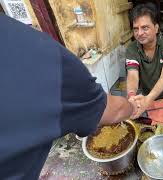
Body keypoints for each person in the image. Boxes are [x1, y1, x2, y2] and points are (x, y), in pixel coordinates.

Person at [0, 14, 138, 179]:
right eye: (136, 28)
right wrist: (132, 106)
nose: (140, 32)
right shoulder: (45, 54)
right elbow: (115, 110)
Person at [125, 3, 163, 118]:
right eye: (136, 29)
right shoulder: (132, 48)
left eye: (145, 28)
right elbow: (132, 75)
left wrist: (148, 99)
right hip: (147, 95)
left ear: (156, 28)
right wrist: (131, 96)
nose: (139, 33)